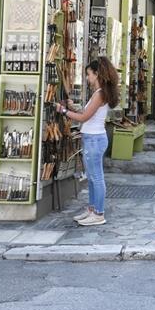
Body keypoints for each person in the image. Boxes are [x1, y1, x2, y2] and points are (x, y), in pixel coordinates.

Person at [56, 57, 119, 226]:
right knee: (91, 177)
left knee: (96, 178)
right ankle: (92, 209)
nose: (87, 77)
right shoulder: (99, 93)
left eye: (89, 74)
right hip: (92, 138)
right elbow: (87, 113)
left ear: (97, 74)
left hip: (94, 140)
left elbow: (84, 117)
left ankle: (99, 213)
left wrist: (64, 111)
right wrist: (73, 107)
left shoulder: (99, 94)